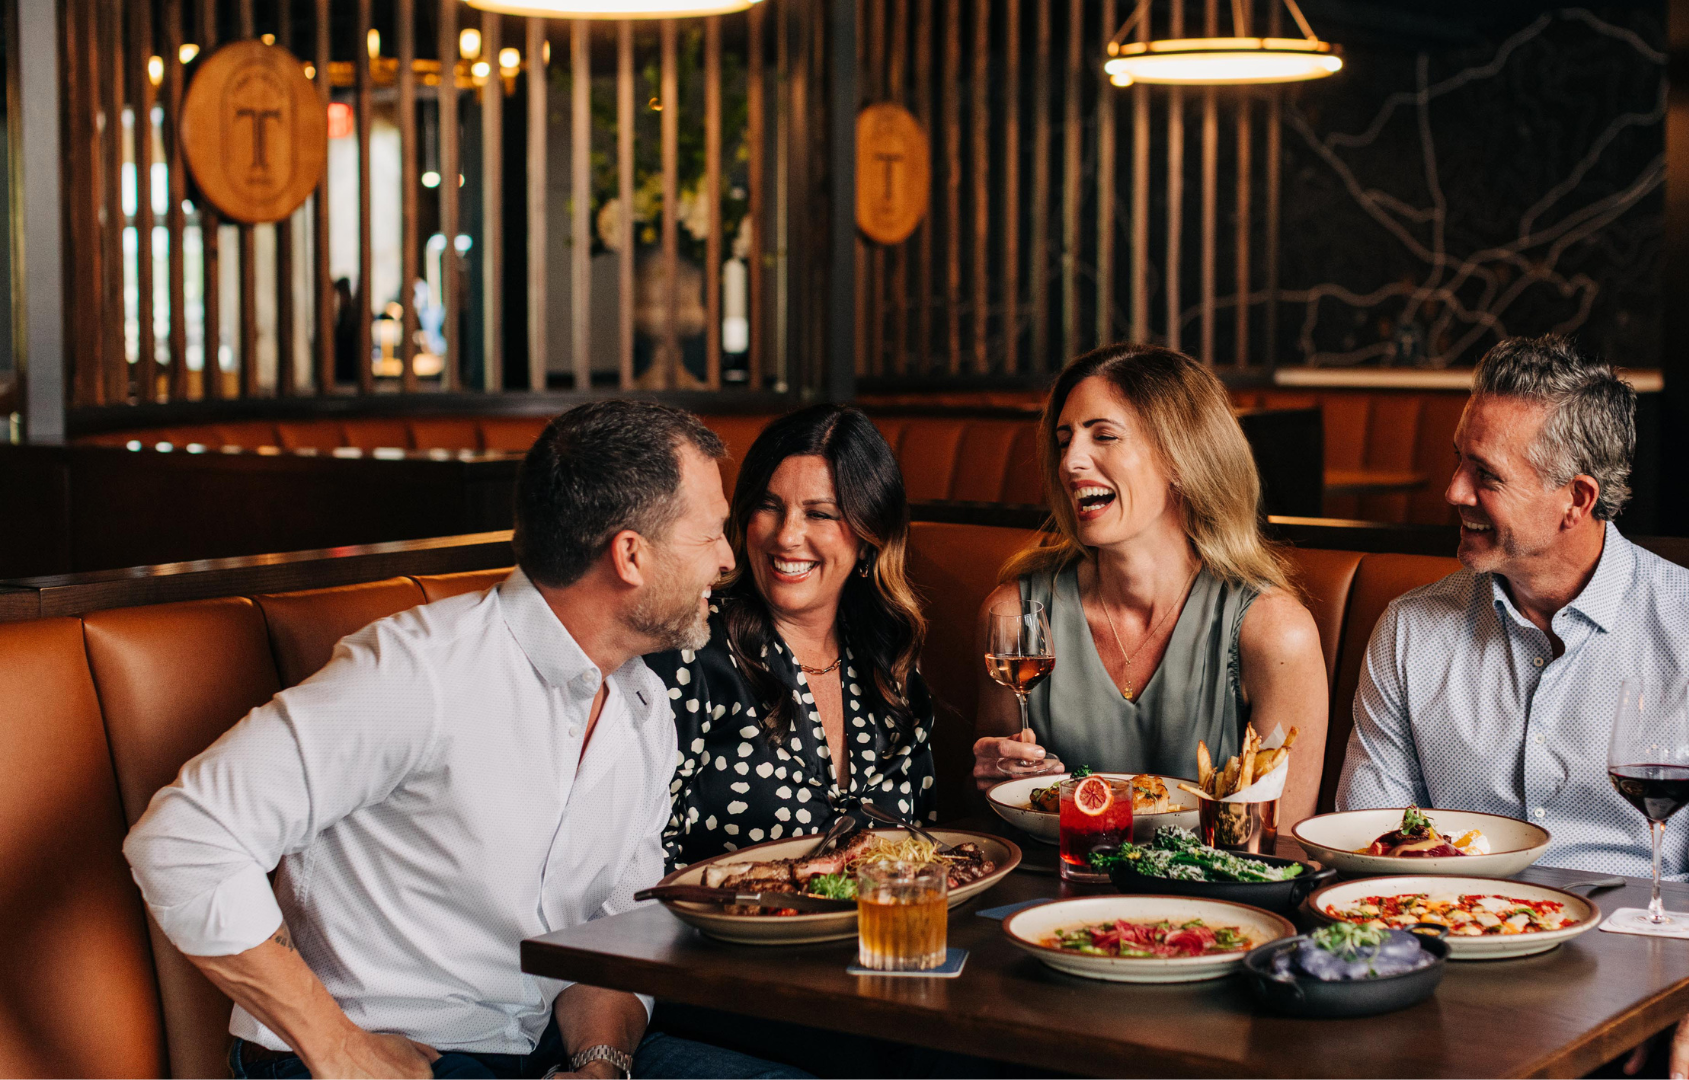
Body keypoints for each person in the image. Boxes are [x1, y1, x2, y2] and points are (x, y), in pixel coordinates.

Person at [123, 401, 802, 1080]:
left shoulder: (643, 707)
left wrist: (602, 1064)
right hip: (380, 1052)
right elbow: (183, 836)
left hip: (537, 1050)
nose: (727, 560)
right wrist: (336, 1045)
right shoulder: (422, 670)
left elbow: (607, 937)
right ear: (631, 555)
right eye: (711, 534)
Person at [1337, 335, 1689, 1080]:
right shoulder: (1411, 631)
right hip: (1446, 978)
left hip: (1642, 997)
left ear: (1576, 498)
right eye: (1456, 461)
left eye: (1485, 476)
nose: (1453, 493)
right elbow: (1366, 856)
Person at [971, 344, 1329, 831]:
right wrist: (996, 772)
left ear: (1182, 458)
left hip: (1206, 899)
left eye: (1104, 436)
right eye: (1064, 440)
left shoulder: (1274, 631)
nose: (1071, 462)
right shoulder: (1017, 614)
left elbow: (1277, 843)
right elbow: (1002, 806)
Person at [647, 405, 934, 868]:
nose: (787, 535)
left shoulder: (889, 655)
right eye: (769, 506)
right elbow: (643, 853)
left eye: (819, 514)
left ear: (868, 537)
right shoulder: (693, 649)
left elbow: (926, 843)